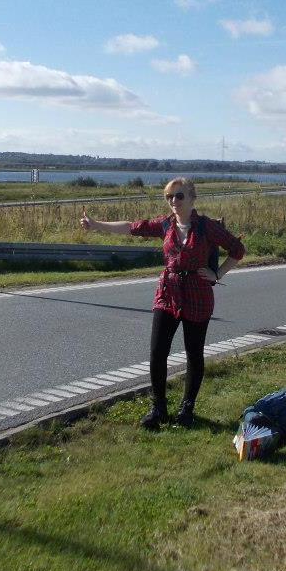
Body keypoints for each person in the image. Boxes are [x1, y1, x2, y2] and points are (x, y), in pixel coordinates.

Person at [80, 177, 245, 429]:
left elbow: (237, 249)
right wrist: (96, 224)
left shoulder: (206, 227)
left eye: (179, 196)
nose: (173, 202)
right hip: (167, 292)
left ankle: (187, 408)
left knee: (194, 354)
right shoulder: (165, 224)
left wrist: (217, 274)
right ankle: (159, 408)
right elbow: (132, 227)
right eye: (169, 197)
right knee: (157, 353)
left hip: (197, 295)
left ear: (192, 198)